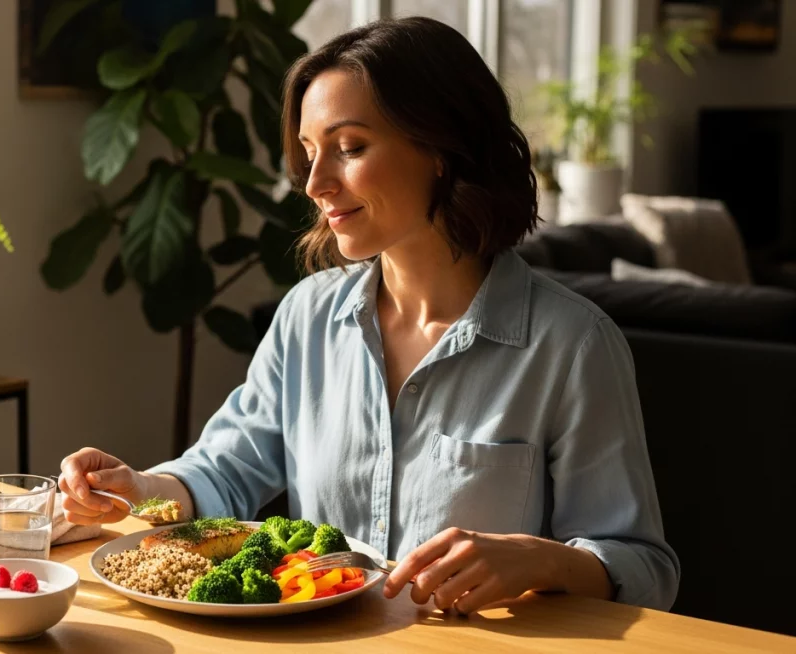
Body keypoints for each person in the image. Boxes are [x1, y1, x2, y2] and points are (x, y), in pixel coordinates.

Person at [59, 17, 679, 614]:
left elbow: (645, 570)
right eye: (308, 153)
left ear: (441, 147)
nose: (315, 183)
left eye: (349, 148)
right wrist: (135, 487)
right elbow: (223, 472)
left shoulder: (571, 344)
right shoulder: (307, 316)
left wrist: (540, 561)